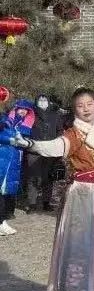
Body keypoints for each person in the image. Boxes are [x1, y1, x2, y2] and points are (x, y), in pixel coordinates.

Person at [8, 88, 94, 291]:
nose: (86, 108)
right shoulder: (73, 134)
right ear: (74, 109)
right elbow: (55, 147)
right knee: (78, 249)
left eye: (89, 103)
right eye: (80, 105)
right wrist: (30, 143)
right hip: (80, 196)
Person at [0, 100, 36, 235]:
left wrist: (24, 142)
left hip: (14, 161)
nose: (23, 111)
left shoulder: (25, 127)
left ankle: (2, 221)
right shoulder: (5, 120)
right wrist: (9, 140)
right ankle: (1, 222)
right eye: (21, 108)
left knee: (6, 192)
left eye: (26, 110)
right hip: (3, 157)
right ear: (15, 109)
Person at [25, 93, 62, 213]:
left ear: (48, 101)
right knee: (33, 177)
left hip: (50, 150)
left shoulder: (55, 115)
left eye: (45, 100)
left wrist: (57, 144)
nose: (42, 102)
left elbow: (60, 131)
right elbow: (25, 130)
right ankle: (32, 203)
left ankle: (46, 202)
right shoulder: (31, 114)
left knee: (48, 177)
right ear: (36, 102)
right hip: (34, 150)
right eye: (40, 100)